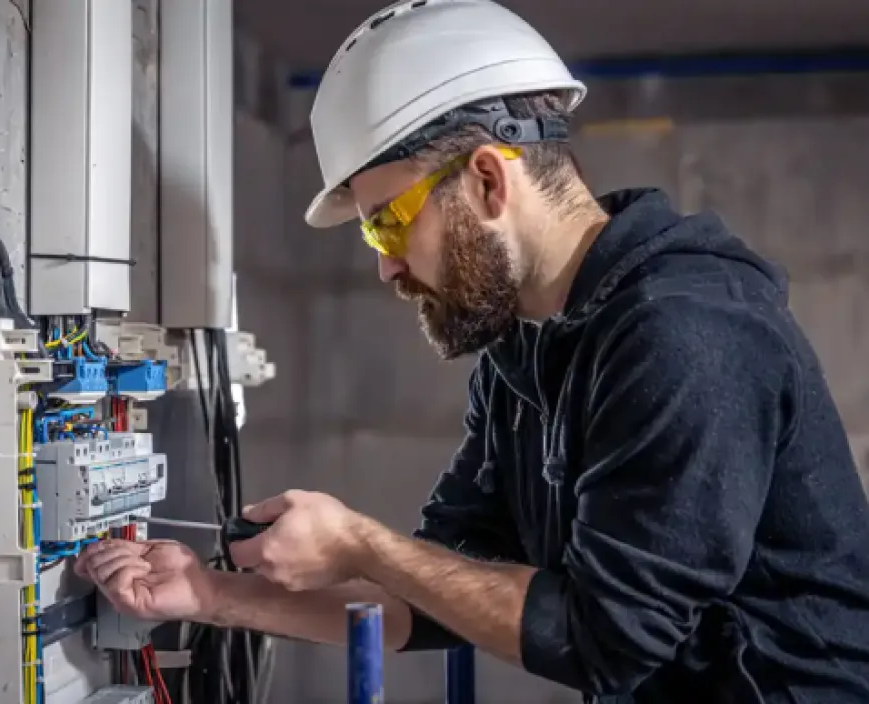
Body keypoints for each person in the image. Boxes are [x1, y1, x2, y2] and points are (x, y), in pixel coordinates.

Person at [76, 1, 869, 701]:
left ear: (489, 180)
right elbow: (438, 591)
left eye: (388, 222)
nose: (385, 264)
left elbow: (609, 638)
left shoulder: (686, 335)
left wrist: (361, 542)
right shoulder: (523, 355)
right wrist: (209, 594)